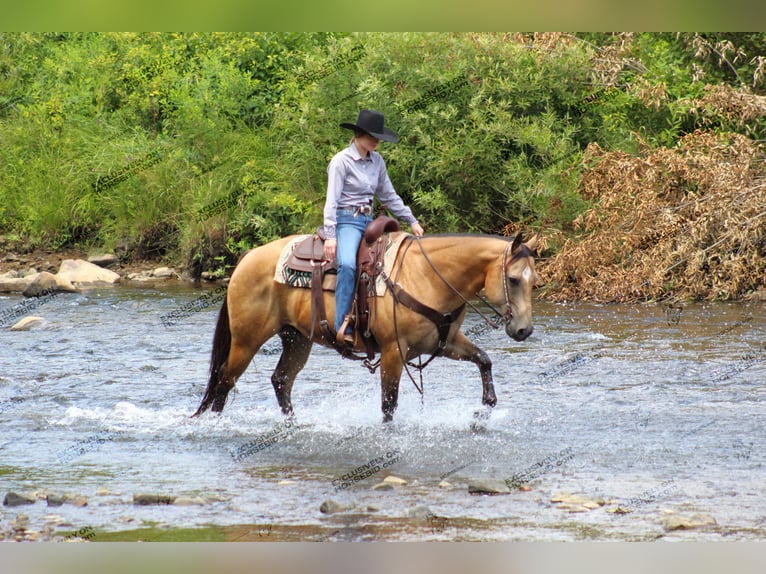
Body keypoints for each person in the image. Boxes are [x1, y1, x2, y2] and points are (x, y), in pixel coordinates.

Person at [322, 109, 424, 345]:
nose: (376, 141)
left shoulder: (377, 161)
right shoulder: (341, 162)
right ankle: (341, 325)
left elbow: (389, 195)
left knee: (396, 262)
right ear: (359, 134)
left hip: (371, 222)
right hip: (347, 220)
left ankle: (387, 321)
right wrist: (330, 235)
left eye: (378, 137)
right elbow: (331, 201)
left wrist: (412, 220)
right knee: (347, 265)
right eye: (372, 136)